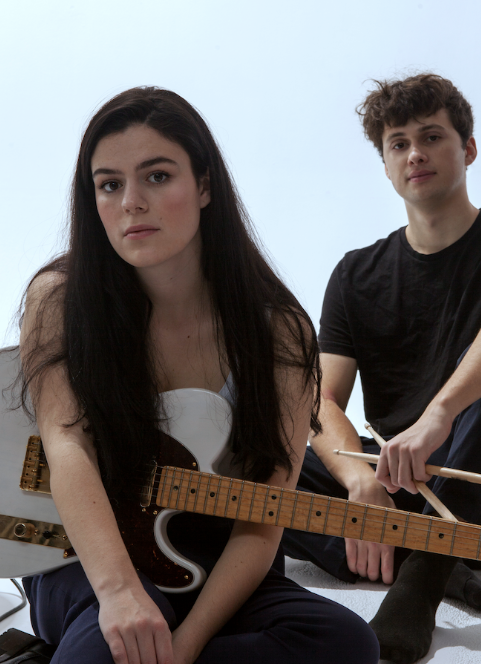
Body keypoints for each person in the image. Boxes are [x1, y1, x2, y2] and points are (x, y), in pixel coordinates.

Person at [16, 87, 380, 664]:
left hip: (221, 554)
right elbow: (67, 447)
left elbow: (265, 517)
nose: (131, 202)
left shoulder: (280, 331)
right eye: (109, 184)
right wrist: (120, 593)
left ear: (205, 185)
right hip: (87, 553)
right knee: (109, 647)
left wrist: (186, 648)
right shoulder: (59, 300)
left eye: (157, 177)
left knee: (348, 643)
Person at [282, 73, 481, 664]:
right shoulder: (355, 274)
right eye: (398, 143)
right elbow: (320, 401)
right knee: (262, 457)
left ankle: (419, 582)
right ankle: (431, 556)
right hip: (400, 484)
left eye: (432, 137)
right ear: (387, 165)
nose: (415, 153)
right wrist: (360, 482)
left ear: (468, 149)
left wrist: (441, 413)